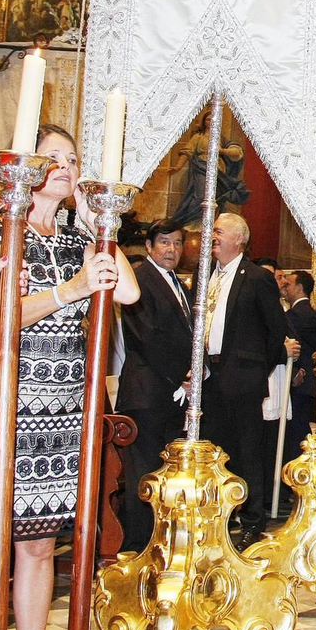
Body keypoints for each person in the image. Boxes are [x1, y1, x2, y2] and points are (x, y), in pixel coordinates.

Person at [0, 125, 138, 630]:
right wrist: (70, 290)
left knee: (39, 544)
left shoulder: (79, 238)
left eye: (72, 159)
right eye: (52, 158)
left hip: (60, 407)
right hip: (6, 397)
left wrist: (101, 221)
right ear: (26, 168)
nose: (65, 167)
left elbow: (130, 293)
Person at [201, 212, 298, 541]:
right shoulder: (209, 277)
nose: (212, 237)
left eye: (219, 232)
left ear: (238, 240)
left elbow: (276, 332)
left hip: (242, 377)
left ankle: (253, 522)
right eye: (212, 231)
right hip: (210, 377)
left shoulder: (255, 277)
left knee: (247, 452)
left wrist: (257, 367)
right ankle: (222, 518)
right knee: (217, 451)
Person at [118, 218, 194, 553]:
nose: (172, 250)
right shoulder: (139, 279)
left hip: (171, 393)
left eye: (177, 243)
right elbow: (145, 336)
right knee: (144, 470)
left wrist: (195, 372)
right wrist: (181, 375)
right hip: (148, 390)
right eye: (165, 242)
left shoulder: (179, 284)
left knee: (166, 468)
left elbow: (189, 335)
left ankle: (159, 539)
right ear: (149, 247)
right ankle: (138, 543)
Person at [281, 269, 316, 467]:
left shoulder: (301, 314)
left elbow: (310, 347)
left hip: (300, 380)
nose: (285, 287)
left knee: (297, 426)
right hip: (302, 379)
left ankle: (299, 467)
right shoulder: (305, 312)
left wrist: (301, 368)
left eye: (288, 284)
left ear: (299, 288)